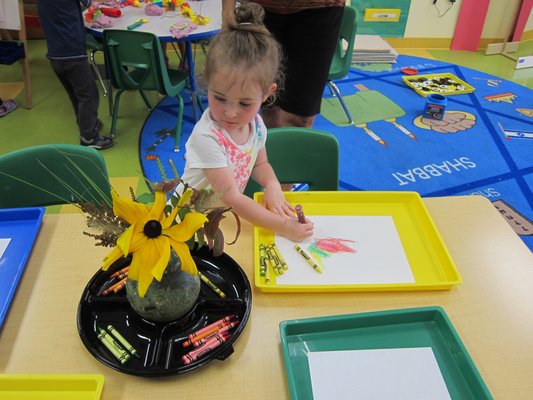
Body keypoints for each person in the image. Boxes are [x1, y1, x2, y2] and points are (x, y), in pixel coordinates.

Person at [181, 2, 314, 242]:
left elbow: (259, 164)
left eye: (244, 104)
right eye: (220, 98)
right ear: (207, 82)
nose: (230, 113)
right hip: (186, 221)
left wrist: (272, 184)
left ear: (266, 93)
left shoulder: (257, 126)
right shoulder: (207, 137)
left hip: (220, 219)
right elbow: (231, 196)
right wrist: (284, 226)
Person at [222, 0, 345, 129]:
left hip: (320, 9)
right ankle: (269, 145)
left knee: (301, 115)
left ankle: (287, 145)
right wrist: (227, 13)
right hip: (259, 8)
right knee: (266, 103)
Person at [36, 0, 114, 150]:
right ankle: (88, 137)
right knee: (89, 95)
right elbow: (88, 3)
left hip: (54, 53)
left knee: (76, 94)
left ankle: (87, 123)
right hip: (72, 51)